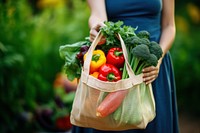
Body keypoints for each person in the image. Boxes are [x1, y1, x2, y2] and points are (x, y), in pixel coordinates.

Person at [72, 0, 179, 132]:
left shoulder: (155, 62)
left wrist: (158, 58)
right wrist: (97, 27)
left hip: (151, 68)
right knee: (108, 121)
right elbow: (97, 15)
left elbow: (169, 26)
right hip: (114, 66)